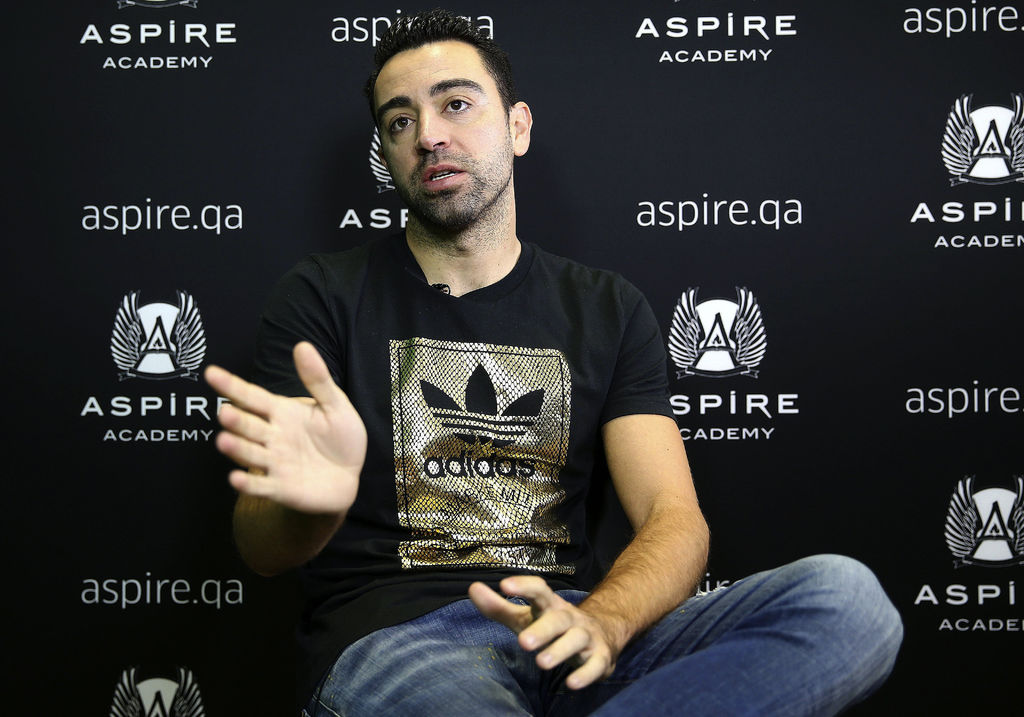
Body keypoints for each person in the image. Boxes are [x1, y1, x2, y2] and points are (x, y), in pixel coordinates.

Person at [204, 9, 902, 716]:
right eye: (400, 121)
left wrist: (604, 621)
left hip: (573, 624)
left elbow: (674, 519)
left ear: (518, 127)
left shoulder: (607, 308)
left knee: (846, 601)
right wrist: (307, 507)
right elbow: (262, 547)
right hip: (401, 644)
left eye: (455, 104)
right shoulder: (322, 296)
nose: (429, 135)